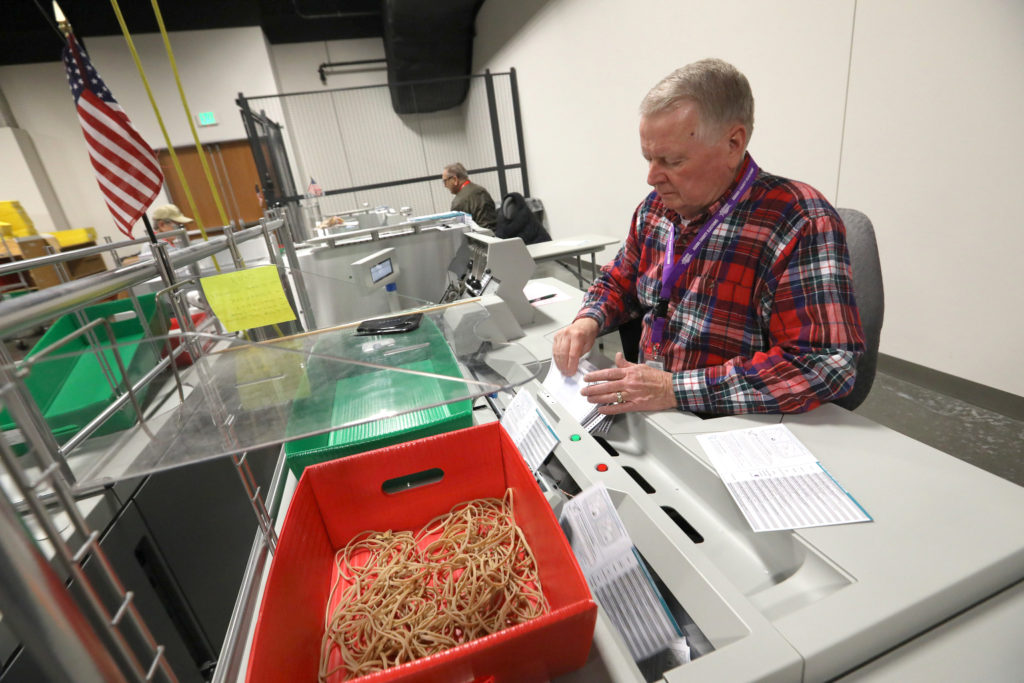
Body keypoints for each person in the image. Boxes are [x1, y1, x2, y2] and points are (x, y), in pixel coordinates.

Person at [552, 58, 865, 416]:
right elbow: (620, 278)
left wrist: (674, 389)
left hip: (733, 425)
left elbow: (823, 365)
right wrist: (587, 320)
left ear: (733, 144)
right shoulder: (656, 209)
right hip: (652, 406)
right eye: (648, 158)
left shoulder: (799, 221)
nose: (652, 177)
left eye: (672, 161)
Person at [442, 163, 497, 230]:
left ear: (455, 179)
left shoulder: (459, 202)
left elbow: (459, 232)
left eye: (445, 181)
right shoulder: (481, 190)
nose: (445, 185)